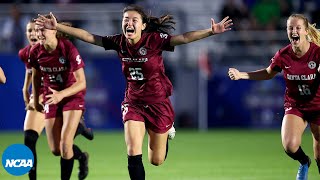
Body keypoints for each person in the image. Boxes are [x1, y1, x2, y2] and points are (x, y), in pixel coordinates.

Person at [36, 5, 232, 180]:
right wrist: (58, 27)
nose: (129, 23)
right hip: (133, 103)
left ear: (143, 26)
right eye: (125, 20)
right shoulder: (119, 42)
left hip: (158, 104)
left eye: (134, 20)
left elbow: (183, 38)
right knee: (132, 151)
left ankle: (165, 135)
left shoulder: (154, 40)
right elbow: (89, 36)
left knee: (156, 160)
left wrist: (210, 32)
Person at [228, 14, 320, 180]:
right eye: (290, 28)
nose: (294, 31)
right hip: (296, 105)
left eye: (298, 28)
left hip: (318, 106)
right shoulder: (283, 55)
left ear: (306, 31)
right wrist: (242, 75)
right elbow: (268, 73)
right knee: (290, 146)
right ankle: (304, 162)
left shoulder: (317, 54)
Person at [19, 19, 94, 180]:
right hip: (50, 97)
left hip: (71, 96)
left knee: (65, 145)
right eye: (36, 30)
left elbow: (82, 82)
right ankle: (79, 132)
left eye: (42, 30)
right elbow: (36, 76)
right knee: (56, 150)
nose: (38, 34)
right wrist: (37, 99)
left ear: (54, 30)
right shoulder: (34, 51)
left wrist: (61, 94)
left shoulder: (67, 48)